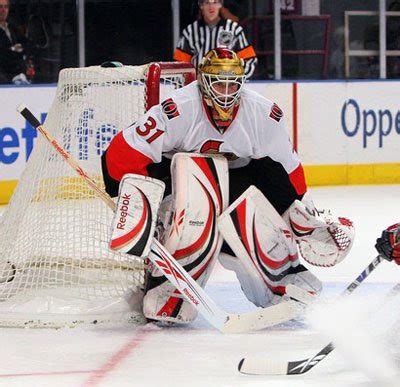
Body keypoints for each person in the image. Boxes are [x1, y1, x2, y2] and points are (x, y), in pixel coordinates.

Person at [102, 48, 354, 325]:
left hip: (238, 180)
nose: (226, 91)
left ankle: (282, 278)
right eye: (218, 82)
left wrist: (303, 211)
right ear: (202, 81)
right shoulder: (177, 109)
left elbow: (287, 170)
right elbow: (121, 153)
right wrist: (138, 203)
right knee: (198, 194)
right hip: (180, 184)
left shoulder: (262, 114)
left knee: (253, 215)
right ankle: (171, 288)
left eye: (232, 83)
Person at [173, 0, 257, 79]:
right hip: (198, 87)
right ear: (201, 5)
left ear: (220, 4)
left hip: (226, 86)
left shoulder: (234, 29)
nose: (211, 7)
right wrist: (189, 82)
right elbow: (179, 64)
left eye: (215, 2)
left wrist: (236, 79)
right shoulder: (190, 31)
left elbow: (249, 59)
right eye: (207, 2)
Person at [0, 0, 29, 84]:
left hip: (17, 70)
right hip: (3, 73)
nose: (3, 10)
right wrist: (12, 49)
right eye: (0, 7)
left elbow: (25, 43)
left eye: (5, 7)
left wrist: (21, 47)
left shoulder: (12, 27)